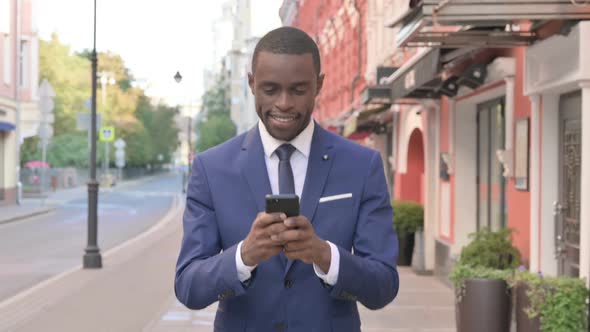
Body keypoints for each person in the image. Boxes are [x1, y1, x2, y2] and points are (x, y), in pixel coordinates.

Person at [175, 26, 399, 332]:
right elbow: (188, 287)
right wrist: (244, 256)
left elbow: (383, 286)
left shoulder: (362, 165)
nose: (283, 103)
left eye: (298, 89)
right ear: (251, 83)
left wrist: (324, 255)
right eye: (270, 89)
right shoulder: (211, 169)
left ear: (319, 85)